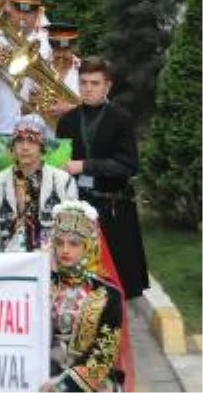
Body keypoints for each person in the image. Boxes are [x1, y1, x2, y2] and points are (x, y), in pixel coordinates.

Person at [55, 57, 148, 299]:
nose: (88, 88)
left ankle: (115, 330)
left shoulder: (121, 119)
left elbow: (129, 165)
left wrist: (85, 166)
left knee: (116, 282)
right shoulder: (67, 121)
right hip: (79, 206)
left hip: (113, 206)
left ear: (108, 86)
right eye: (83, 82)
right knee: (78, 277)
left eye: (95, 83)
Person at [44, 200, 125, 391]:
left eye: (74, 243)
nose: (65, 250)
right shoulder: (42, 284)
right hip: (44, 374)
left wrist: (63, 387)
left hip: (90, 383)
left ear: (88, 246)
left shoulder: (107, 294)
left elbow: (103, 355)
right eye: (59, 242)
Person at [0, 115, 78, 254]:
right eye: (19, 141)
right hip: (9, 265)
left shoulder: (63, 181)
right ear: (12, 146)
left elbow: (72, 235)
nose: (25, 147)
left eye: (32, 141)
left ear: (42, 147)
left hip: (50, 264)